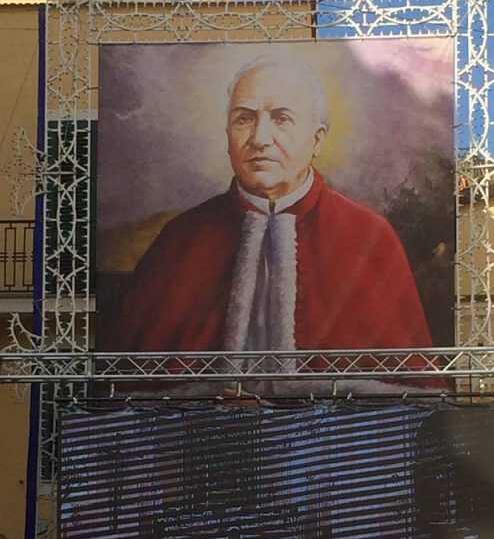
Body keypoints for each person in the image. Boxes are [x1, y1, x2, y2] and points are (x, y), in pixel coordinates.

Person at [105, 56, 432, 352]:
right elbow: (128, 382)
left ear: (316, 139)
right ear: (228, 135)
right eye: (244, 119)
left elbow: (407, 386)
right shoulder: (180, 241)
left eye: (281, 119)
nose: (260, 138)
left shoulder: (368, 238)